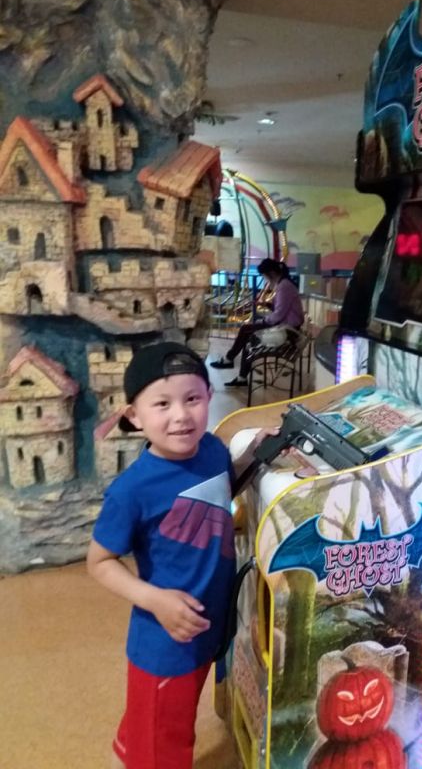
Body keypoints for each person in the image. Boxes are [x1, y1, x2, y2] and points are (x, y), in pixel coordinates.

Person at [87, 341, 272, 769]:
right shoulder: (132, 490)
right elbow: (99, 562)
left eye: (192, 399)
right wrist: (155, 599)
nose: (180, 415)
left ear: (209, 395)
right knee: (166, 737)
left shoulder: (212, 451)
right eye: (162, 404)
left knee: (162, 716)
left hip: (208, 624)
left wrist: (254, 454)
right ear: (134, 415)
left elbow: (218, 491)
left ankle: (130, 749)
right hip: (166, 641)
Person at [210, 258, 305, 387]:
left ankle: (229, 360)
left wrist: (263, 320)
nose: (265, 279)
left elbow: (279, 314)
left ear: (271, 273)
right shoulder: (284, 284)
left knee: (246, 330)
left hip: (288, 330)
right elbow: (282, 309)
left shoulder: (284, 286)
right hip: (287, 326)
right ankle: (240, 376)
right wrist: (267, 305)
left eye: (264, 276)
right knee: (248, 335)